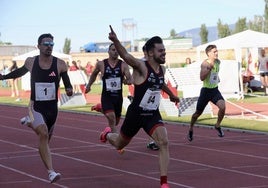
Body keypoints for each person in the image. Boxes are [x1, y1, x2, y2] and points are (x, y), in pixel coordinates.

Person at [100, 25, 180, 188]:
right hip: (135, 114)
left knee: (163, 142)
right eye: (160, 51)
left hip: (152, 114)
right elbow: (127, 56)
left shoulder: (162, 69)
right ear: (151, 53)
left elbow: (160, 83)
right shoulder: (142, 67)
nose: (164, 53)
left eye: (164, 50)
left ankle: (164, 183)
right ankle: (107, 134)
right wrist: (115, 40)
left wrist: (171, 95)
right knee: (119, 144)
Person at [0, 33, 73, 183]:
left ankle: (29, 122)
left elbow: (67, 83)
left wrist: (69, 89)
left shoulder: (60, 64)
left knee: (45, 141)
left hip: (52, 110)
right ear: (38, 46)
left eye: (51, 44)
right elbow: (19, 72)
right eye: (46, 44)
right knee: (43, 133)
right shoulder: (31, 62)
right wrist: (3, 77)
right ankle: (51, 172)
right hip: (36, 106)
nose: (49, 47)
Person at [85, 43, 132, 134]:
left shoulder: (123, 65)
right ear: (108, 51)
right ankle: (117, 143)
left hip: (118, 98)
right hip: (107, 97)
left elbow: (130, 79)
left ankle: (101, 108)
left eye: (117, 50)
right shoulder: (101, 64)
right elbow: (94, 74)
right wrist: (89, 85)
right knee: (112, 118)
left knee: (116, 122)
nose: (115, 52)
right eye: (113, 50)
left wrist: (127, 81)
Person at [187, 44, 225, 142]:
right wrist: (209, 68)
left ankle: (217, 125)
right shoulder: (205, 64)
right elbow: (202, 78)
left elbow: (215, 74)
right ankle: (191, 128)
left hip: (215, 90)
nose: (217, 53)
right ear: (208, 54)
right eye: (214, 52)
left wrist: (216, 78)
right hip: (206, 91)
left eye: (217, 51)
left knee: (223, 107)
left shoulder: (218, 62)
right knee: (197, 114)